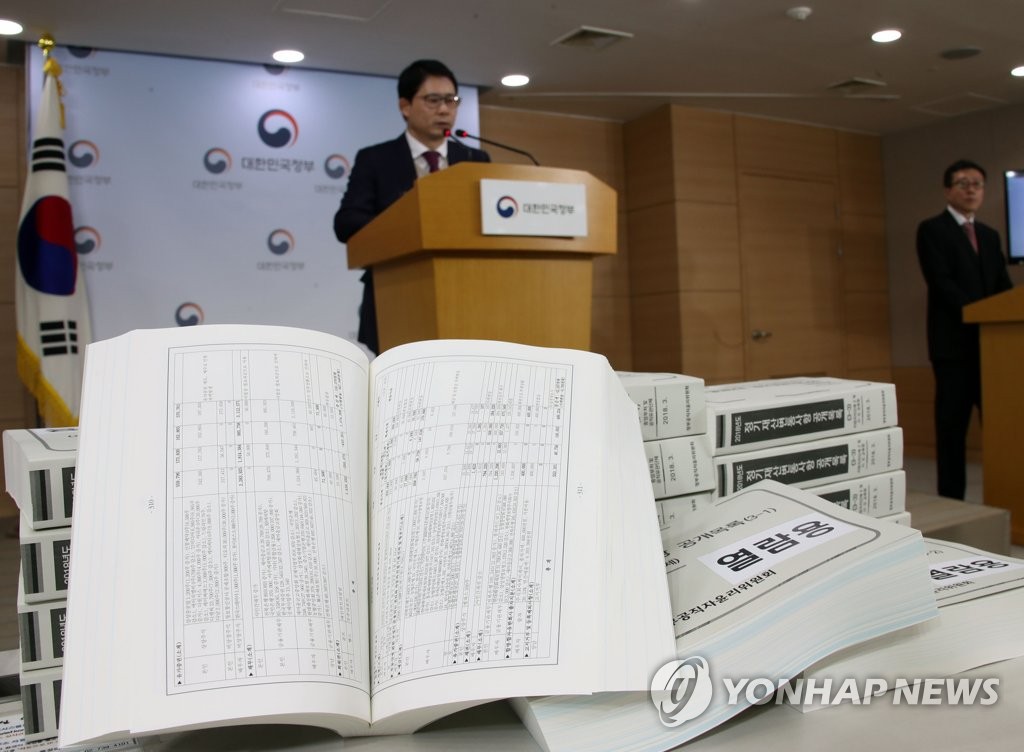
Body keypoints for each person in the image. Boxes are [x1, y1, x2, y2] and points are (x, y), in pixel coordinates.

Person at [333, 59, 491, 355]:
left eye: (451, 100)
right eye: (433, 100)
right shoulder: (375, 159)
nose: (444, 110)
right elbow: (347, 222)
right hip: (395, 294)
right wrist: (406, 220)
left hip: (468, 294)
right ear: (405, 106)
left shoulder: (475, 159)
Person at [916, 159, 1013, 499]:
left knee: (1001, 429)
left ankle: (1005, 495)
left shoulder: (990, 235)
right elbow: (941, 283)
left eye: (977, 184)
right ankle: (952, 500)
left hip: (993, 349)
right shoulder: (932, 230)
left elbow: (1002, 286)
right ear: (948, 190)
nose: (972, 190)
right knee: (952, 430)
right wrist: (979, 314)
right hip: (953, 350)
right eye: (963, 183)